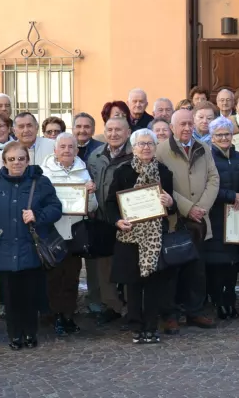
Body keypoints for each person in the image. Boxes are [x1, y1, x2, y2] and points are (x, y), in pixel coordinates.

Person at [0, 141, 62, 350]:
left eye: (21, 158)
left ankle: (31, 333)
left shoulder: (40, 182)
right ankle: (15, 335)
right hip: (3, 247)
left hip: (30, 248)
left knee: (30, 296)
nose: (17, 163)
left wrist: (37, 215)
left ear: (28, 160)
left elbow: (56, 208)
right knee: (11, 297)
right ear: (4, 161)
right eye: (12, 159)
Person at [104, 129, 176, 344]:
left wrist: (170, 204)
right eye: (141, 144)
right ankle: (136, 326)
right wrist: (117, 220)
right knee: (133, 284)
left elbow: (170, 208)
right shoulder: (122, 171)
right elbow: (110, 203)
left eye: (150, 144)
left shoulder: (164, 172)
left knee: (153, 283)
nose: (146, 147)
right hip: (130, 235)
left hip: (154, 236)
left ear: (155, 147)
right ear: (133, 148)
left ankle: (152, 326)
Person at [156, 109, 220, 331]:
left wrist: (201, 208)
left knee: (197, 269)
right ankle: (170, 314)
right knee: (171, 271)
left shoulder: (204, 148)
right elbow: (159, 187)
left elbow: (214, 178)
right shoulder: (161, 151)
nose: (186, 128)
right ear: (172, 127)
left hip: (199, 222)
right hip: (175, 220)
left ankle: (194, 311)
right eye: (181, 124)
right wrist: (187, 207)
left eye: (189, 124)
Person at [41, 132, 97, 336]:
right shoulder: (45, 173)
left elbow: (92, 207)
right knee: (54, 277)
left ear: (76, 150)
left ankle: (68, 316)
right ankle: (55, 315)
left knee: (71, 278)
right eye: (62, 147)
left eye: (70, 147)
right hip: (53, 232)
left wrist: (90, 194)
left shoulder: (83, 171)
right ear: (55, 150)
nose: (66, 150)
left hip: (75, 233)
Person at [84, 117, 133, 322]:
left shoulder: (134, 153)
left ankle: (131, 309)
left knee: (129, 266)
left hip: (129, 221)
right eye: (110, 130)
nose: (113, 134)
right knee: (104, 267)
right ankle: (112, 306)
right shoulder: (95, 155)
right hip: (102, 219)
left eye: (118, 130)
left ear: (128, 132)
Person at [203, 117, 239, 320]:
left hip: (236, 217)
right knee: (216, 264)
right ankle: (218, 301)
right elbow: (207, 187)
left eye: (227, 134)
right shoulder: (207, 158)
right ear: (211, 137)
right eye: (219, 135)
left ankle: (230, 299)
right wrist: (231, 196)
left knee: (233, 263)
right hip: (215, 217)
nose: (223, 138)